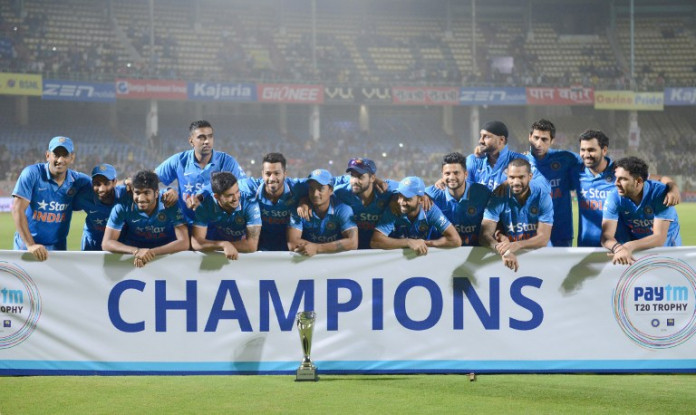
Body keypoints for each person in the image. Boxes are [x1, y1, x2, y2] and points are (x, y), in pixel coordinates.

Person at [570, 130, 680, 247]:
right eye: (582, 150)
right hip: (588, 242)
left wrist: (673, 188)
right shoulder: (576, 172)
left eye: (591, 150)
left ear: (604, 150)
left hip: (620, 242)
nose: (586, 154)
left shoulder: (620, 170)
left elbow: (659, 179)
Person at [11, 136, 91, 260]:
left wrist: (126, 184)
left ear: (72, 157)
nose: (60, 160)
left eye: (65, 155)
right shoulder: (32, 174)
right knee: (24, 280)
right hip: (27, 245)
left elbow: (104, 187)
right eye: (56, 154)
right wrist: (31, 245)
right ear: (48, 155)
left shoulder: (80, 180)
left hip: (57, 247)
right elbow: (17, 209)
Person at [155, 120, 246, 224]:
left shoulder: (227, 162)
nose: (207, 141)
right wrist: (169, 191)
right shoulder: (179, 160)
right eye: (201, 137)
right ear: (191, 141)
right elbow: (150, 179)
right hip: (186, 224)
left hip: (218, 226)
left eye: (210, 136)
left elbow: (244, 187)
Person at [601, 157, 681, 266]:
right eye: (616, 178)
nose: (616, 183)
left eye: (623, 179)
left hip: (667, 252)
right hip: (635, 252)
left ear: (638, 181)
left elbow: (659, 238)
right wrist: (618, 248)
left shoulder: (659, 193)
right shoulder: (614, 197)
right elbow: (606, 235)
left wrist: (628, 246)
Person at [102, 170, 189, 267]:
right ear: (132, 192)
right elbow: (107, 243)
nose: (141, 199)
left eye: (146, 193)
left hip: (165, 255)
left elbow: (184, 242)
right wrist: (136, 251)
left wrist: (151, 252)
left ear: (156, 193)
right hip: (135, 256)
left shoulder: (169, 202)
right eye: (137, 193)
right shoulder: (123, 206)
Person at [480, 159, 553, 272]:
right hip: (511, 257)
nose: (516, 182)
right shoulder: (498, 197)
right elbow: (484, 235)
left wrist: (517, 245)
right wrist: (504, 251)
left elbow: (543, 238)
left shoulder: (542, 196)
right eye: (512, 177)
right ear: (507, 177)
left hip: (541, 256)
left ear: (530, 176)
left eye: (521, 177)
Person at [525, 119, 582, 247]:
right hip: (531, 234)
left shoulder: (566, 158)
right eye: (536, 138)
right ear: (529, 137)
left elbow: (591, 162)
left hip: (561, 232)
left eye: (544, 139)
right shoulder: (520, 162)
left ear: (552, 141)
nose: (538, 143)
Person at [371, 176, 461, 255]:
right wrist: (408, 242)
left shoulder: (430, 210)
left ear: (421, 199)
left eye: (407, 198)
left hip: (424, 258)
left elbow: (455, 240)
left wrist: (425, 243)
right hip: (397, 262)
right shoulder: (395, 208)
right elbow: (375, 241)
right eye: (399, 196)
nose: (401, 202)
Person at [240, 153, 307, 251]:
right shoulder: (250, 188)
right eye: (268, 174)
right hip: (259, 255)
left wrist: (305, 200)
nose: (272, 178)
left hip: (288, 255)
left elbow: (323, 187)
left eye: (277, 173)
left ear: (285, 174)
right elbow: (223, 186)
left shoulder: (297, 187)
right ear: (262, 174)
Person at [425, 152, 491, 246]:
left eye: (456, 173)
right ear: (442, 176)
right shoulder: (433, 193)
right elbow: (412, 195)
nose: (451, 177)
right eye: (447, 173)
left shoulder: (482, 193)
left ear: (466, 174)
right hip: (441, 253)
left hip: (475, 252)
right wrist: (422, 195)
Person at [287, 169, 358, 256]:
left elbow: (353, 243)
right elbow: (292, 243)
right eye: (312, 188)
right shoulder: (299, 209)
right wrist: (317, 248)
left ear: (331, 190)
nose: (315, 194)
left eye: (321, 188)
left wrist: (317, 248)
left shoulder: (343, 209)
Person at [191, 172, 261, 259]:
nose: (236, 198)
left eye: (237, 192)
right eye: (230, 195)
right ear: (216, 196)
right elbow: (196, 243)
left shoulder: (249, 202)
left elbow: (251, 246)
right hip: (217, 236)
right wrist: (223, 244)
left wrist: (227, 246)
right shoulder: (205, 204)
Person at [332, 158, 397, 249]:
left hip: (380, 251)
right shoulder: (340, 192)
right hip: (351, 252)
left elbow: (408, 189)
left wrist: (424, 194)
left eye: (360, 177)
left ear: (373, 178)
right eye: (352, 176)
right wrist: (304, 200)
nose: (354, 181)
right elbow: (318, 186)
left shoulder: (386, 191)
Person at [73, 163, 130, 251]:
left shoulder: (126, 195)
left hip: (117, 243)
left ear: (115, 182)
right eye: (97, 184)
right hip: (91, 243)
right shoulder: (84, 197)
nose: (101, 189)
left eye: (106, 183)